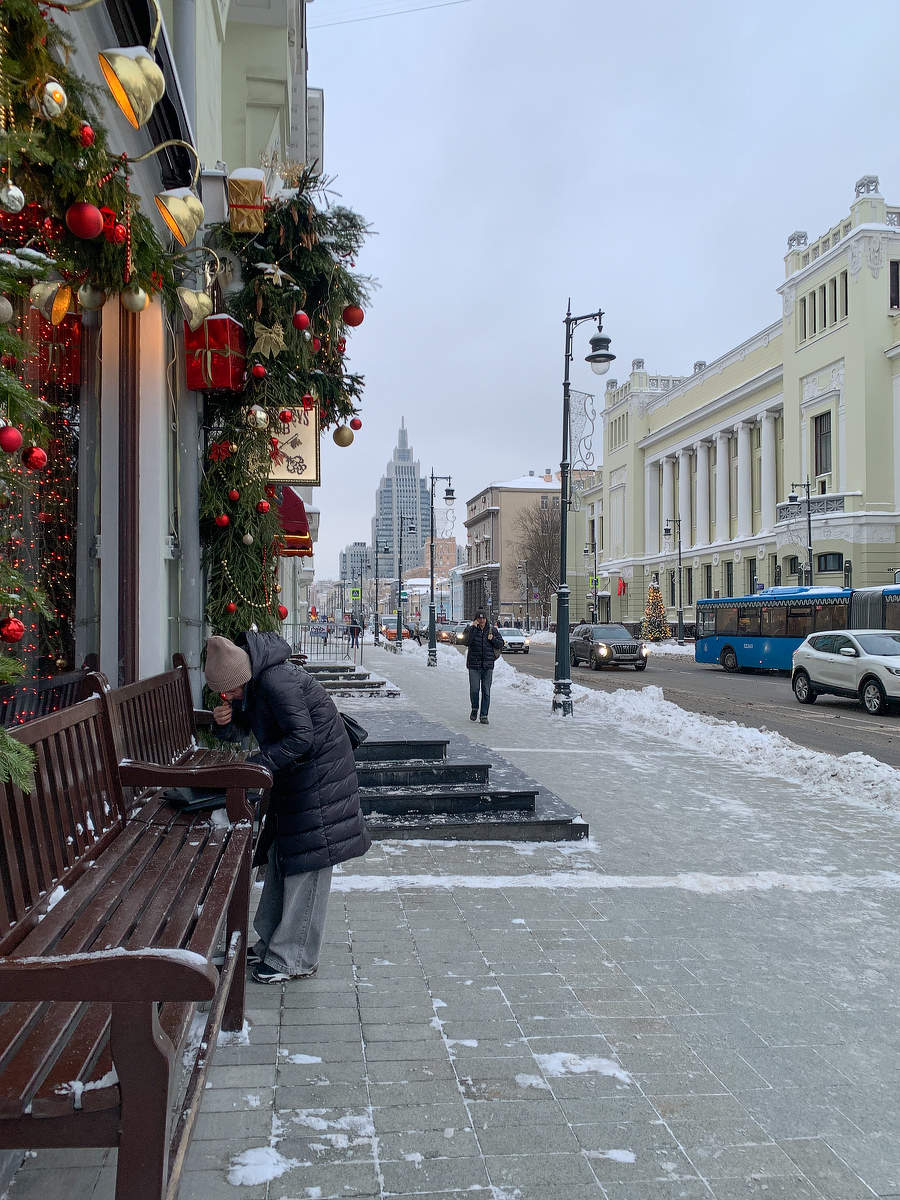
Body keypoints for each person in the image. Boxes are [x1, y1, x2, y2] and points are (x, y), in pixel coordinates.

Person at [205, 631, 371, 984]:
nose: (228, 697)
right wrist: (226, 723)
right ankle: (271, 944)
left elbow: (301, 737)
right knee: (283, 855)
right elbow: (254, 725)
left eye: (230, 691)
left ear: (241, 677)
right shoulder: (256, 680)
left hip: (319, 778)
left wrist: (256, 766)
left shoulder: (275, 680)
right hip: (298, 777)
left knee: (308, 862)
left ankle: (294, 957)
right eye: (223, 694)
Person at [461, 611, 504, 724]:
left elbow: (501, 644)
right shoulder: (470, 629)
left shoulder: (492, 630)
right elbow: (465, 642)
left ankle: (484, 715)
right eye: (479, 619)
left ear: (486, 619)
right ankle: (475, 708)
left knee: (486, 691)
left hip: (487, 665)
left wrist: (492, 639)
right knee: (474, 690)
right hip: (474, 665)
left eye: (483, 618)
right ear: (476, 620)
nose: (481, 621)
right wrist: (473, 629)